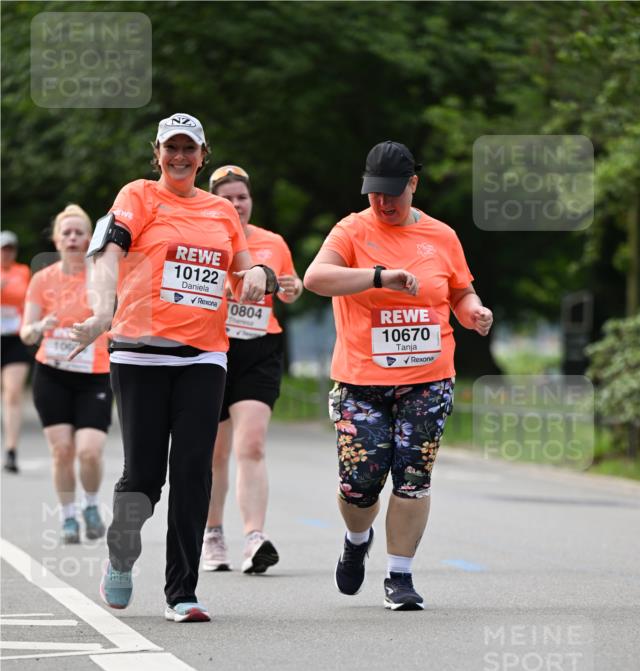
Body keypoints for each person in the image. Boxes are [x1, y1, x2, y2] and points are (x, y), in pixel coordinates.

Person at [68, 114, 277, 623]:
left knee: (192, 473)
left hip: (204, 356)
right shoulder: (138, 195)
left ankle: (181, 592)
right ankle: (121, 553)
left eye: (189, 149)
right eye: (171, 148)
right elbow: (108, 252)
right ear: (157, 153)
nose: (180, 157)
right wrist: (101, 312)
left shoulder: (221, 212)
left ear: (203, 156)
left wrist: (258, 275)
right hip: (140, 353)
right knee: (144, 477)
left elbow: (244, 269)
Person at [304, 140, 493, 610]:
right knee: (360, 481)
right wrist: (377, 276)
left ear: (413, 184)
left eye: (393, 192)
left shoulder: (441, 236)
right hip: (360, 381)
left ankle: (399, 576)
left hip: (428, 377)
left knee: (413, 476)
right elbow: (316, 278)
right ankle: (356, 539)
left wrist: (474, 312)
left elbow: (460, 292)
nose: (383, 202)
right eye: (374, 192)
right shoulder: (351, 230)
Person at [202, 164, 302, 574]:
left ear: (251, 200)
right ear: (213, 202)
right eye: (226, 198)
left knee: (253, 445)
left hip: (259, 349)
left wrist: (292, 287)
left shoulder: (272, 242)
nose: (236, 204)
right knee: (215, 452)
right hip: (212, 348)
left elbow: (291, 287)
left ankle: (254, 538)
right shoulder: (202, 239)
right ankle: (212, 534)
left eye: (241, 197)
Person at [20, 206, 111, 543]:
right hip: (52, 373)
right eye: (66, 233)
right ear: (56, 240)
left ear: (89, 239)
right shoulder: (42, 279)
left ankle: (91, 504)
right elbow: (26, 332)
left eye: (79, 233)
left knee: (89, 451)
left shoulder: (100, 276)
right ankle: (69, 516)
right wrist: (39, 327)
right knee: (61, 451)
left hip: (94, 373)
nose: (72, 238)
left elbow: (110, 318)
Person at [1, 230, 32, 472]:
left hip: (14, 339)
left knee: (12, 393)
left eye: (10, 249)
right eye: (3, 249)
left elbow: (27, 298)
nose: (7, 253)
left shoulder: (22, 272)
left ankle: (11, 450)